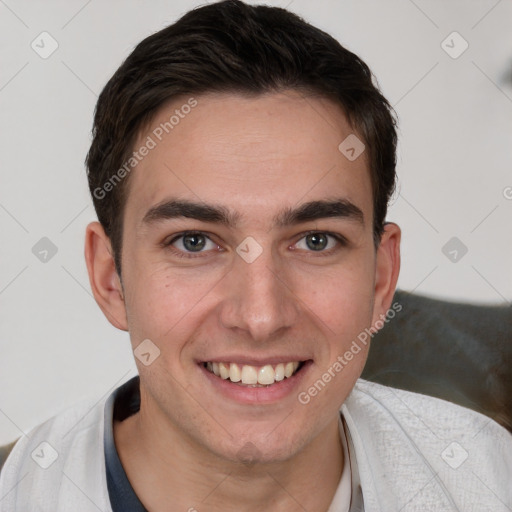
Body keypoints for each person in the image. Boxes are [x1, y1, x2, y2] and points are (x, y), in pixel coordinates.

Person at [0, 1, 511, 510]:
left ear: (381, 280)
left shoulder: (491, 479)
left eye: (316, 241)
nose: (261, 317)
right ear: (111, 277)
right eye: (194, 241)